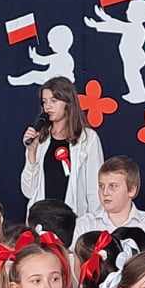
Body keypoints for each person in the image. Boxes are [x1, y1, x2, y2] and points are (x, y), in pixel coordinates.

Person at [21, 76, 105, 218]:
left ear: (68, 103)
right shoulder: (39, 138)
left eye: (53, 101)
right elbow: (28, 191)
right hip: (42, 220)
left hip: (73, 221)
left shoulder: (88, 139)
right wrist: (31, 153)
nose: (47, 106)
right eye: (44, 102)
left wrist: (93, 223)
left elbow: (94, 188)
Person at [73, 156, 145, 250]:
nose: (105, 192)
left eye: (113, 186)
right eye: (101, 186)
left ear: (131, 190)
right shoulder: (85, 224)